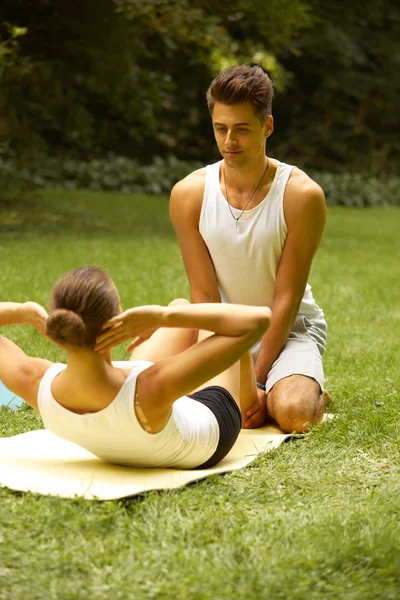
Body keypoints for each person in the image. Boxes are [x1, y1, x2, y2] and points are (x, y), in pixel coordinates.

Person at [168, 65, 328, 433]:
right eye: (220, 129)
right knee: (193, 404)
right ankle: (275, 387)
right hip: (225, 331)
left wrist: (255, 383)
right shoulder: (188, 194)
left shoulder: (301, 196)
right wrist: (224, 373)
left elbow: (286, 297)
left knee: (292, 413)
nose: (229, 141)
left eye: (241, 129)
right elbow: (205, 294)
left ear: (267, 126)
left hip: (290, 330)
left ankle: (303, 388)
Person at [0, 266, 270, 469]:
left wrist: (23, 311)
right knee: (213, 322)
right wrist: (162, 316)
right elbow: (255, 321)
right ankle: (250, 401)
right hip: (211, 422)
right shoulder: (149, 386)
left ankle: (178, 311)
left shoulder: (37, 384)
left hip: (137, 413)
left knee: (182, 306)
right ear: (117, 318)